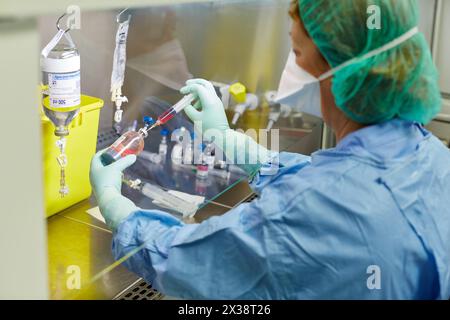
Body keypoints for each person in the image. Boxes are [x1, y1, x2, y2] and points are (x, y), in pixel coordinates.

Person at [90, 0, 450, 299]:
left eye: (296, 52)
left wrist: (118, 211)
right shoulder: (431, 155)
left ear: (340, 71)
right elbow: (333, 183)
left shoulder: (313, 211)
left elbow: (198, 265)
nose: (291, 70)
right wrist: (228, 140)